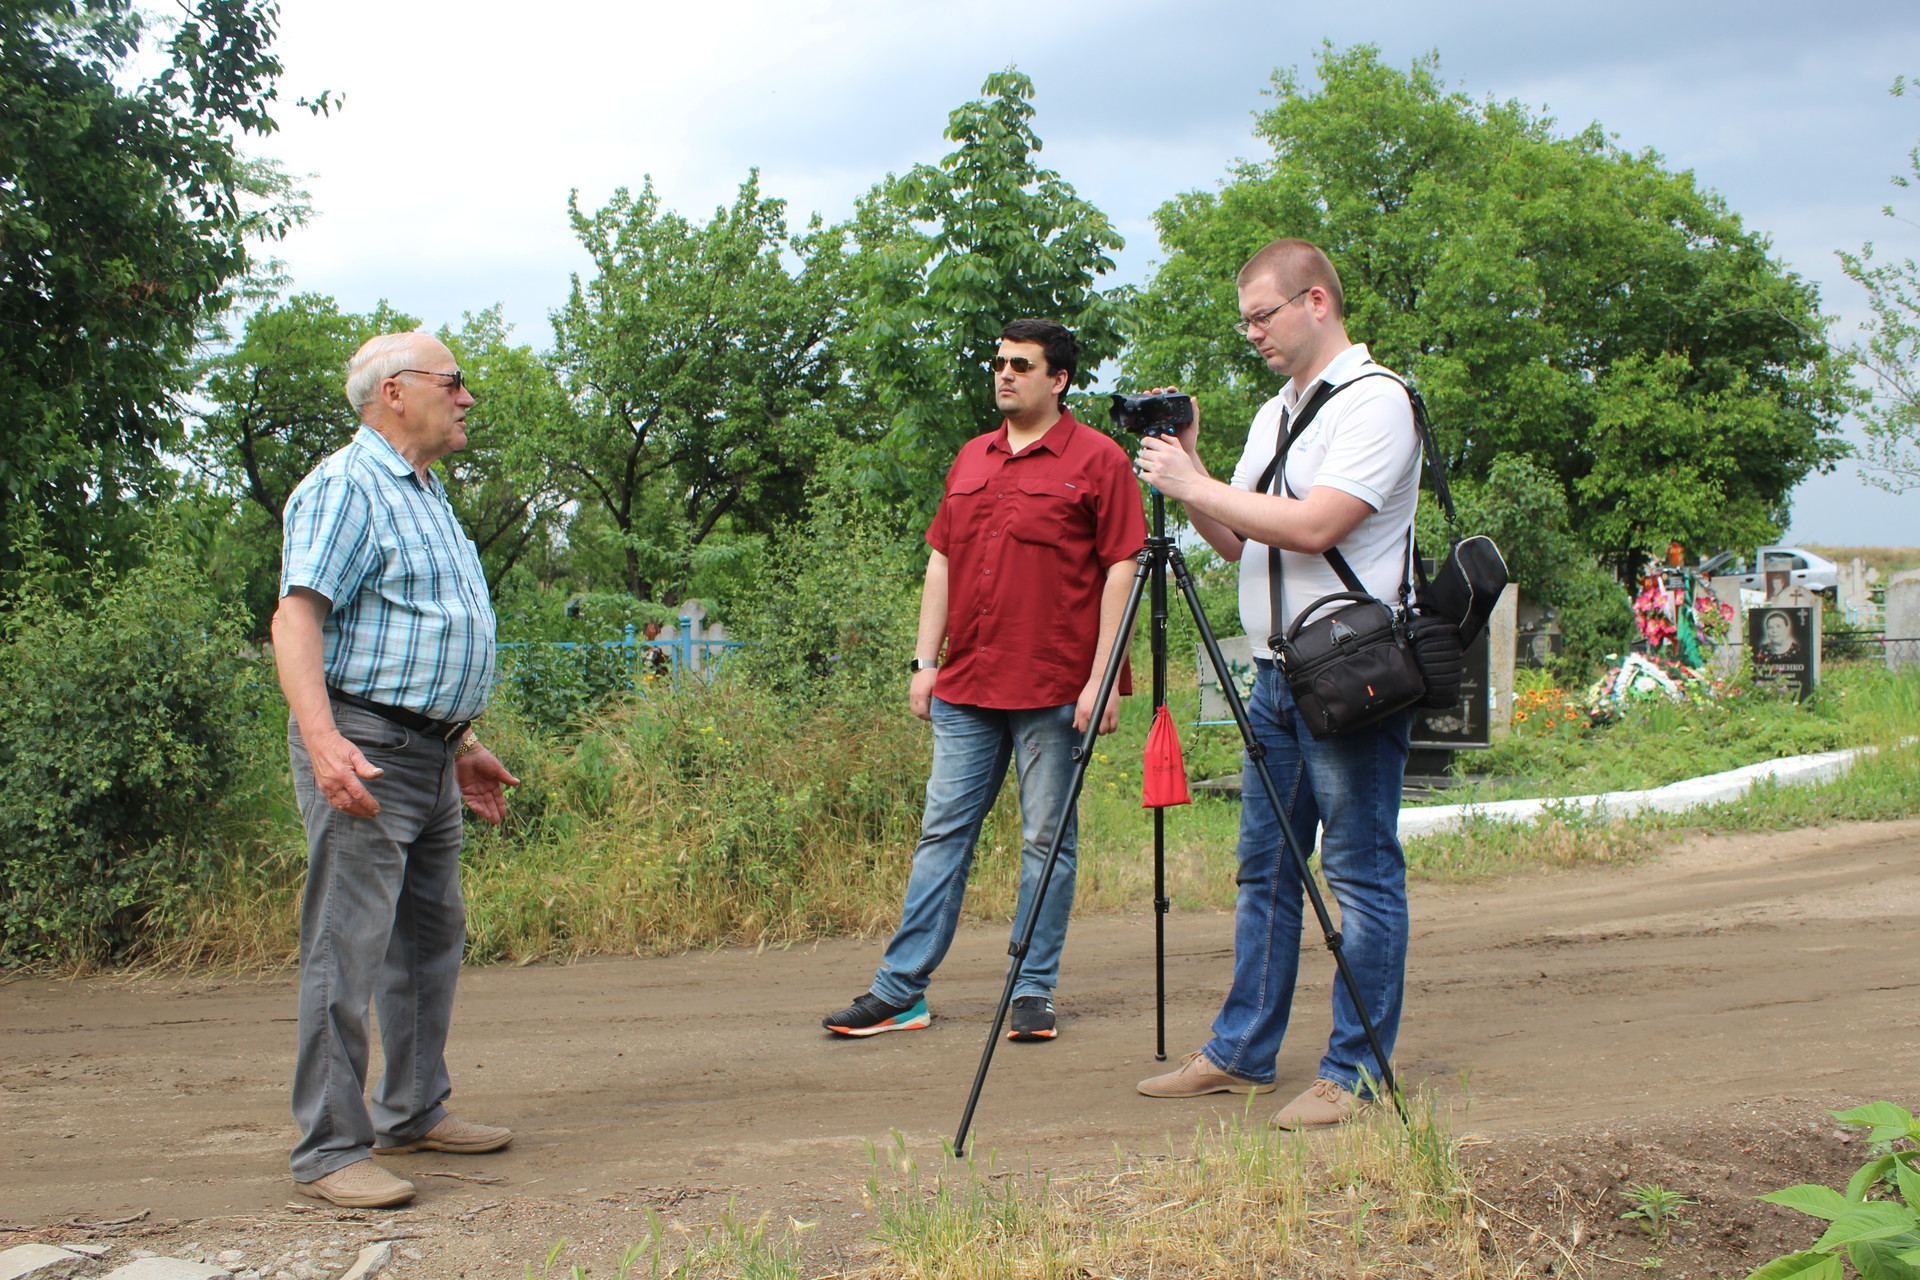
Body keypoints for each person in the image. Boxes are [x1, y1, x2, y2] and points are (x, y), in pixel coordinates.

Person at [1131, 239, 1422, 1128]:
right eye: (1246, 321)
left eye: (1263, 315)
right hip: (1274, 676)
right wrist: (1191, 475)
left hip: (1347, 677)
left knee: (1359, 873)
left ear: (1317, 301)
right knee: (1265, 871)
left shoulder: (1377, 402)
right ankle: (1242, 1053)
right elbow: (1237, 541)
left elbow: (1316, 525)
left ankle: (1356, 1071)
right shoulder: (1274, 412)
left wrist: (1196, 481)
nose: (1252, 332)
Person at [821, 319, 1147, 1042]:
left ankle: (1033, 990)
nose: (1004, 375)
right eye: (1000, 363)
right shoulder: (972, 457)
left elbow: (1122, 569)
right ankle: (900, 991)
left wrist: (1101, 680)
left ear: (1059, 379)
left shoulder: (1099, 460)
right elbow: (941, 559)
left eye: (1022, 366)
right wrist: (924, 662)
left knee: (1045, 842)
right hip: (967, 685)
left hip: (1054, 687)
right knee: (942, 834)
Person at [272, 332, 521, 1208]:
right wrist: (323, 741)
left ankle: (411, 1110)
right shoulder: (346, 486)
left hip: (430, 752)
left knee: (426, 940)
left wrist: (462, 740)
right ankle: (329, 1152)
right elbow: (297, 620)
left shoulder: (423, 491)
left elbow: (414, 629)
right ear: (393, 393)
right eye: (452, 382)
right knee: (345, 948)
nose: (466, 398)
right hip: (364, 749)